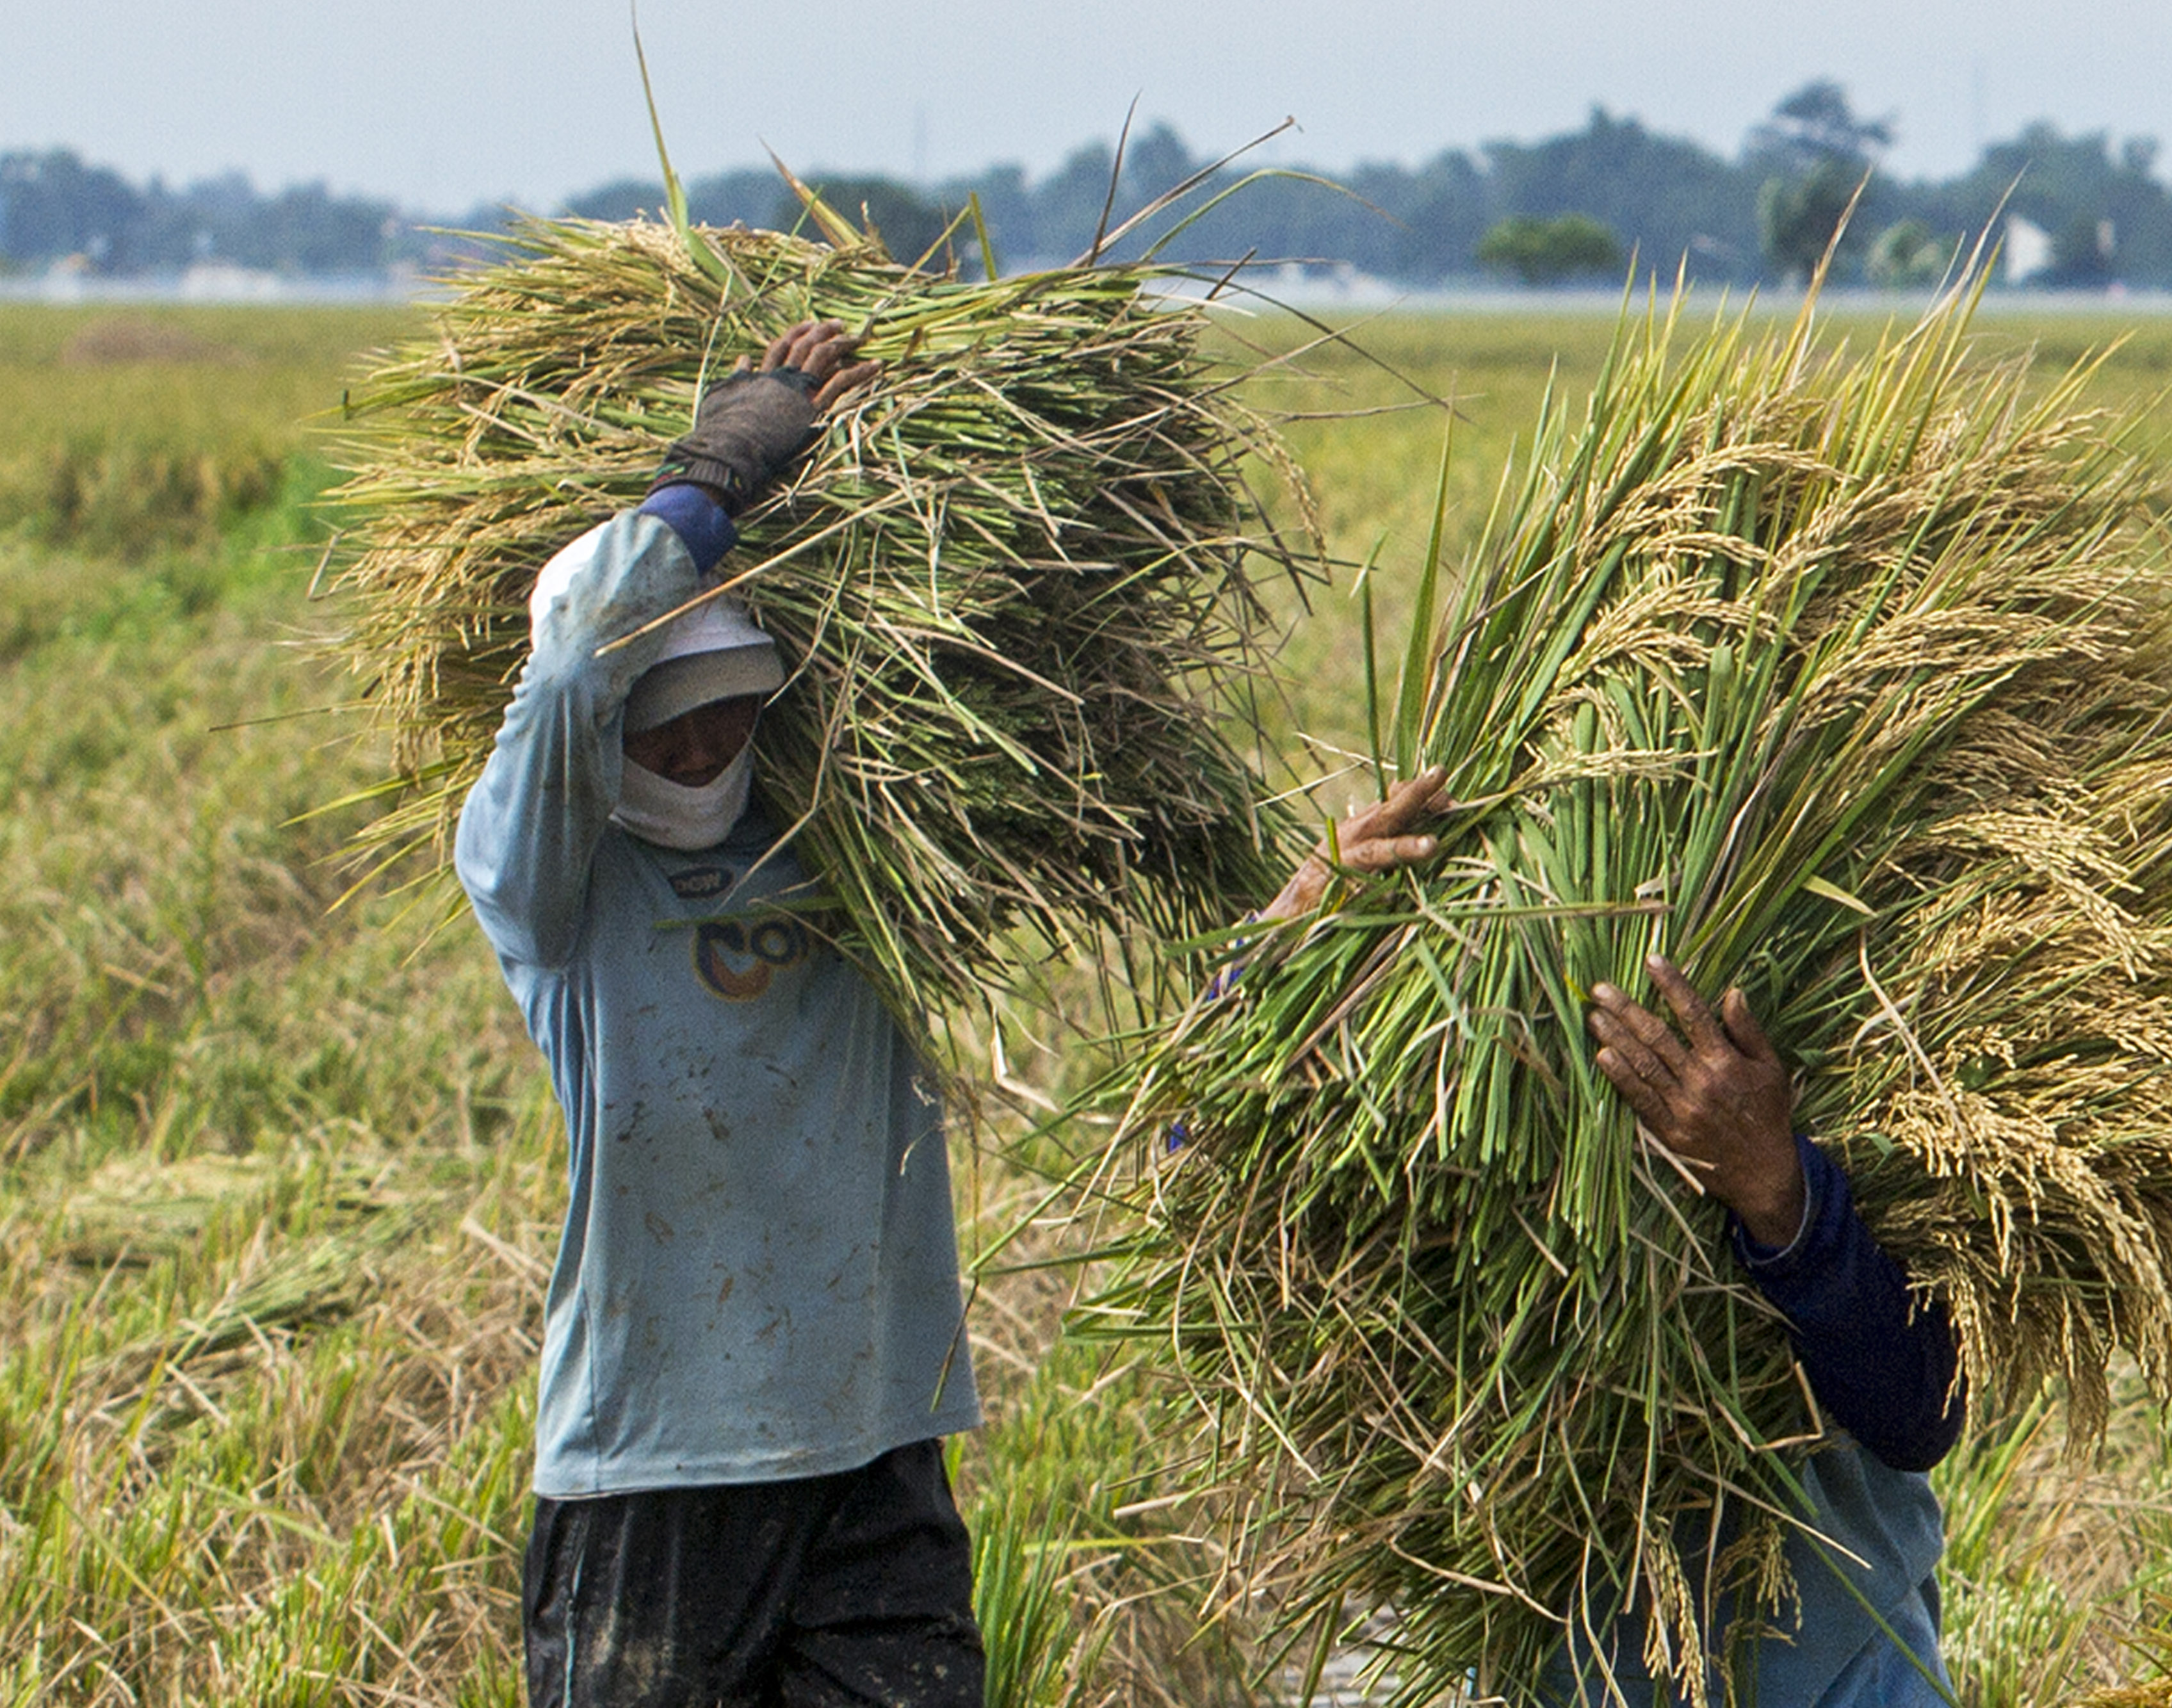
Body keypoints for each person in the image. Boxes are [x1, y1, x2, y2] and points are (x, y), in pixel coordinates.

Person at [456, 316, 1457, 1707]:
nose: (697, 745)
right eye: (660, 718)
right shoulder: (553, 887)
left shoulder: (860, 853)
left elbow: (1133, 952)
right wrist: (725, 465)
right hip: (652, 1466)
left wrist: (1304, 910)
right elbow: (573, 652)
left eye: (723, 709)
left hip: (878, 1449)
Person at [1546, 956, 1968, 1706]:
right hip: (1567, 1663)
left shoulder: (1867, 997)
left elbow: (1918, 1412)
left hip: (1833, 1656)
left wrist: (1777, 1192)